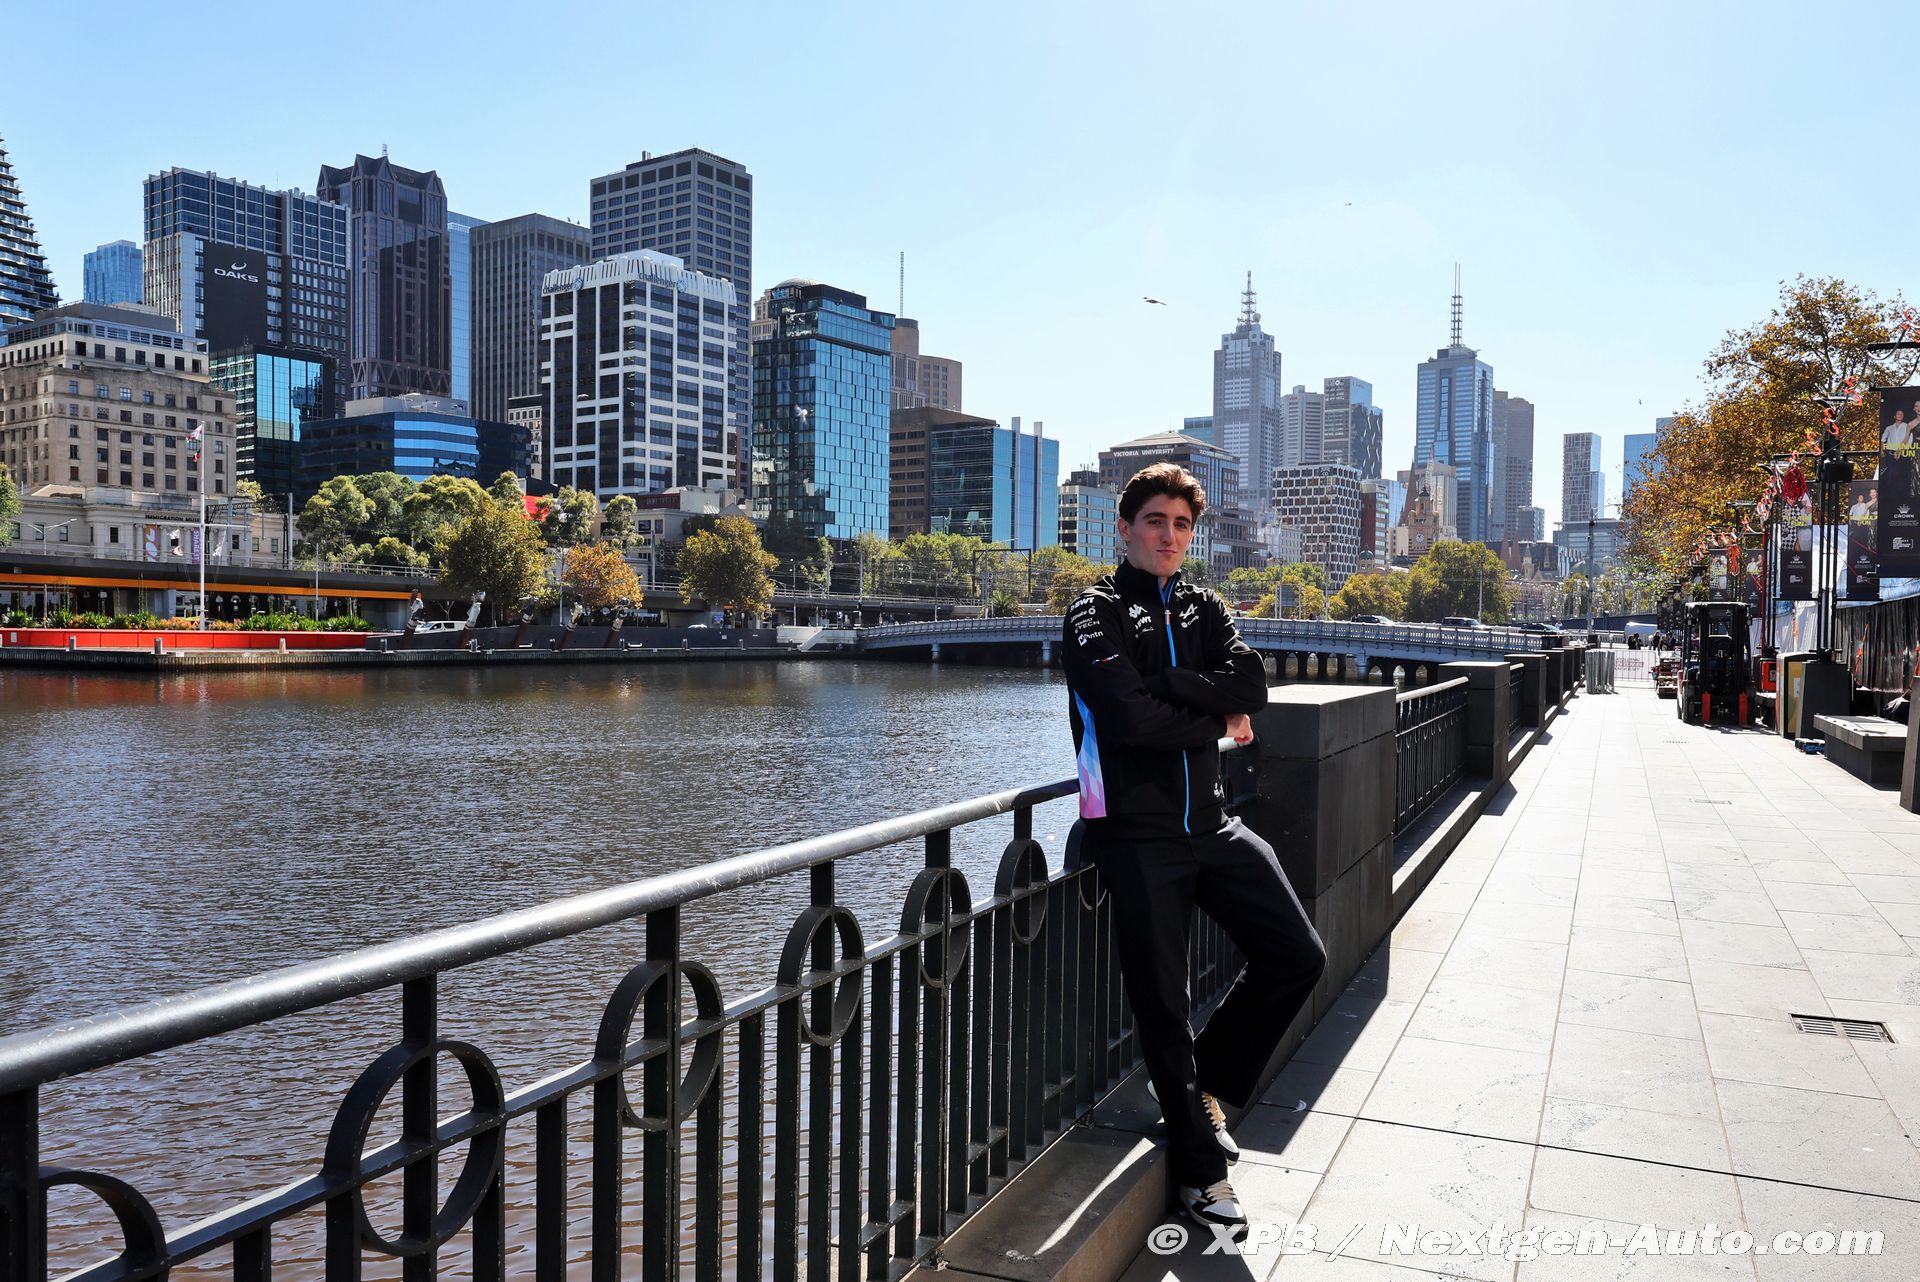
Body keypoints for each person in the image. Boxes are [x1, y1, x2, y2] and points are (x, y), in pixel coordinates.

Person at [1062, 463, 1327, 1240]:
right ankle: (1201, 1176)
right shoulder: (1093, 612)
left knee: (1297, 956)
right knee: (1164, 1007)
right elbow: (1128, 722)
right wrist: (1215, 718)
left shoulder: (1204, 606)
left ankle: (1204, 1086)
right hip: (1136, 835)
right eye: (1155, 521)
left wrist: (1174, 681)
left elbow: (1253, 685)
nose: (1169, 536)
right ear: (1124, 528)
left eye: (1181, 524)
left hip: (1212, 825)